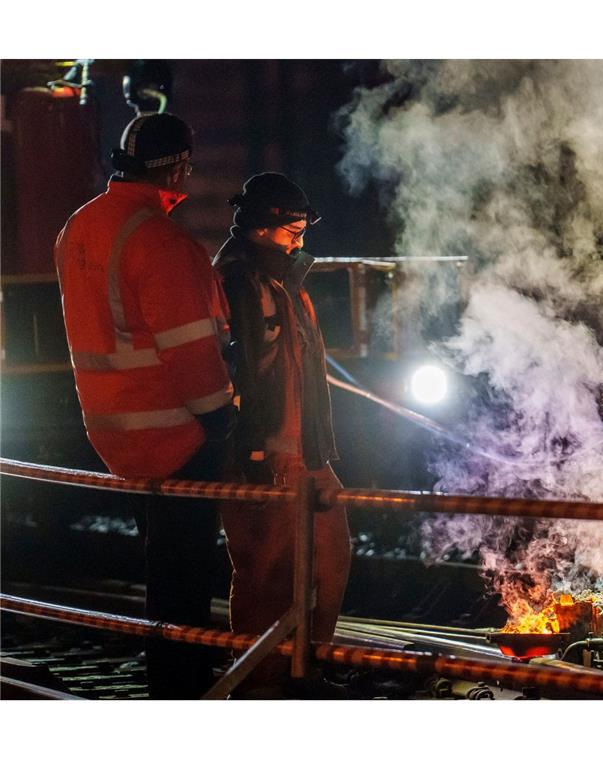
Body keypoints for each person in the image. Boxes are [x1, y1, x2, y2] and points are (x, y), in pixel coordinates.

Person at [54, 113, 235, 698]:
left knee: (162, 570)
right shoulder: (162, 242)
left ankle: (170, 685)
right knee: (185, 580)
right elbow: (193, 361)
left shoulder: (78, 228)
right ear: (178, 167)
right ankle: (182, 692)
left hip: (114, 434)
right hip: (175, 435)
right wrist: (225, 424)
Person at [213, 173, 350, 696]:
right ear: (261, 228)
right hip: (264, 455)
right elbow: (235, 374)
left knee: (330, 559)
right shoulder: (237, 282)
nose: (300, 237)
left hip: (305, 453)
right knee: (265, 575)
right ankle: (260, 688)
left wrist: (312, 449)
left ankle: (304, 673)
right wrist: (252, 452)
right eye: (293, 228)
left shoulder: (283, 284)